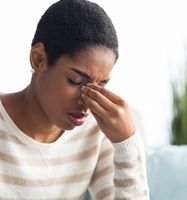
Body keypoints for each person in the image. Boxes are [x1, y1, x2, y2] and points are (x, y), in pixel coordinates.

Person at [0, 0, 150, 199]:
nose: (88, 101)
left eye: (101, 85)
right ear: (38, 59)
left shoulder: (97, 131)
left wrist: (126, 144)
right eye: (76, 80)